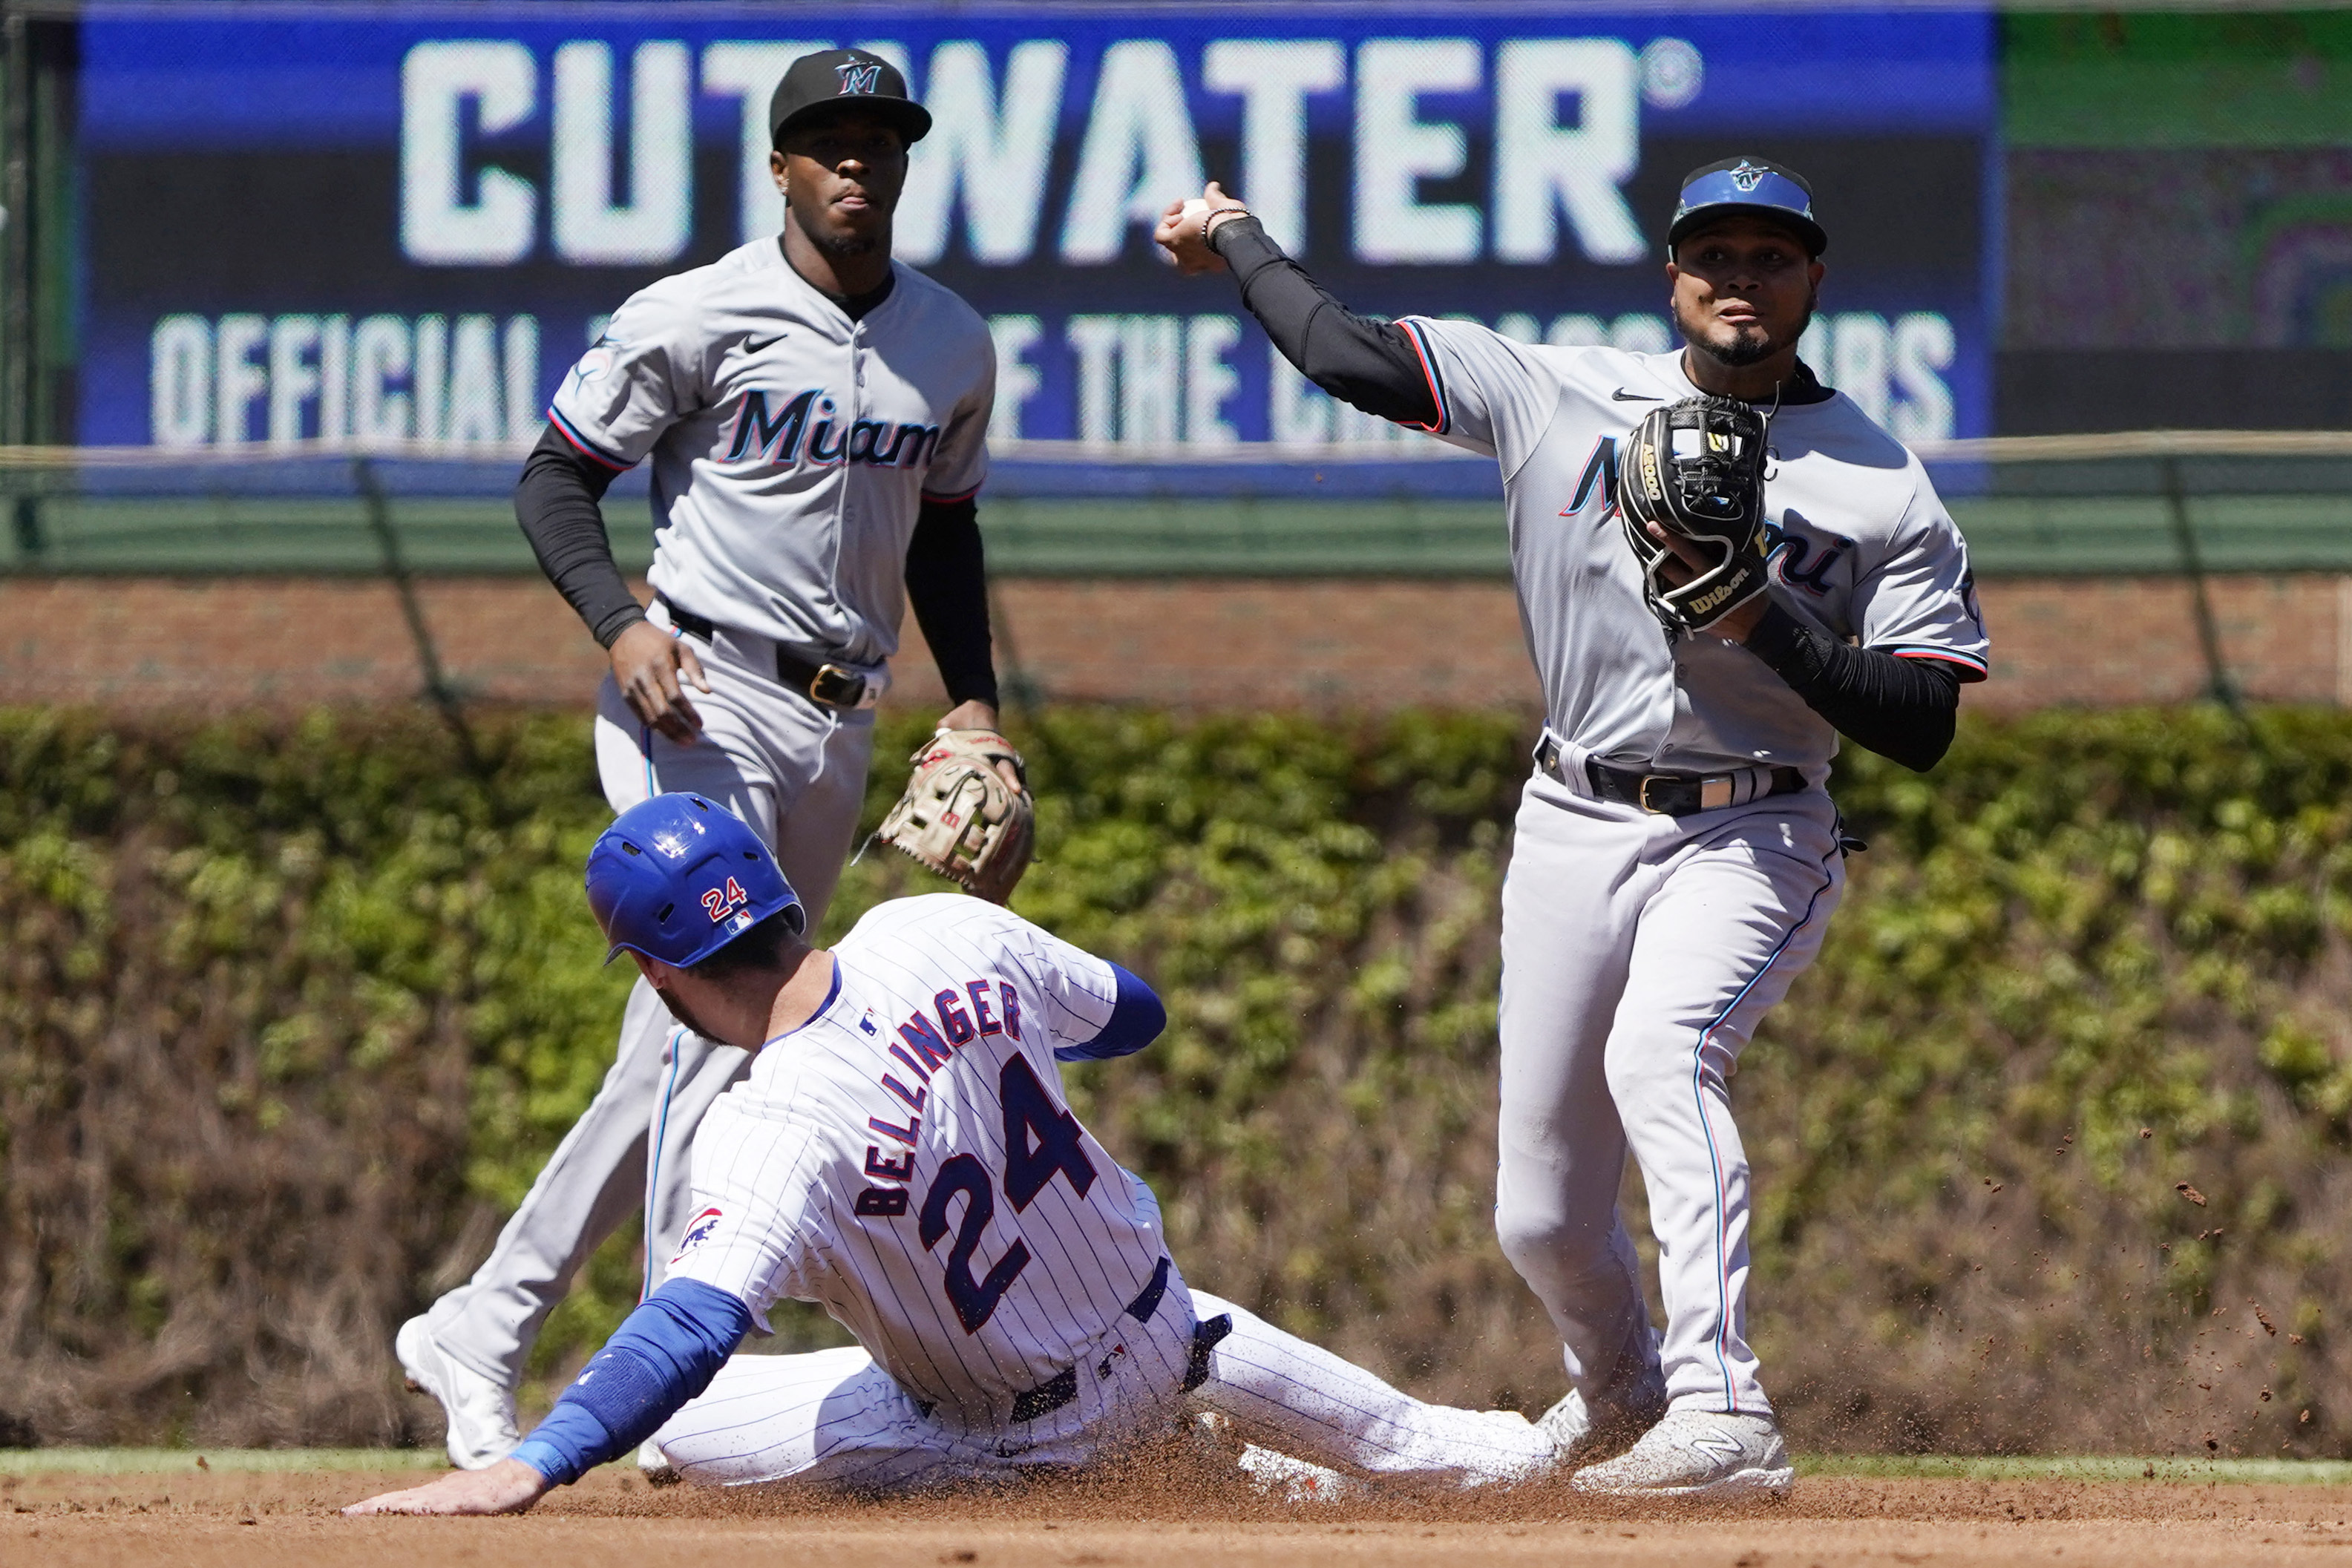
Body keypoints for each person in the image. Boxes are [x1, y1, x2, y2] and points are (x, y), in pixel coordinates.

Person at [1155, 157, 1989, 1497]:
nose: (1739, 277)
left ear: (1814, 279)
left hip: (1752, 822)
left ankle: (1725, 1414)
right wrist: (1236, 236)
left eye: (1771, 256)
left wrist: (1759, 614)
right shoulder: (1555, 388)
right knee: (1538, 1213)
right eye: (1711, 252)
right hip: (1570, 813)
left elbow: (1924, 719)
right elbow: (1347, 355)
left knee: (1665, 1053)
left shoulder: (1878, 481)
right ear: (1671, 274)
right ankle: (1620, 1396)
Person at [397, 49, 1015, 1469]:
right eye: (827, 139)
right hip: (696, 692)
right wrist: (618, 625)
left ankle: (503, 1325)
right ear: (783, 165)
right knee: (699, 1021)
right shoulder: (700, 311)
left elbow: (944, 529)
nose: (855, 159)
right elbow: (555, 477)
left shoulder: (952, 342)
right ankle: (609, 1350)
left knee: (747, 1035)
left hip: (840, 715)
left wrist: (973, 701)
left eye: (879, 138)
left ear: (905, 164)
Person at [347, 794, 1557, 1514]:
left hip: (1009, 1435)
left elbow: (686, 1328)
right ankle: (1650, 1445)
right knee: (1455, 1450)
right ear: (775, 891)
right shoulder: (939, 925)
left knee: (676, 1425)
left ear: (658, 972)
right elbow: (1135, 1015)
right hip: (1179, 1336)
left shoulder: (764, 1125)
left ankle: (1181, 1482)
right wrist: (998, 964)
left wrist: (533, 1465)